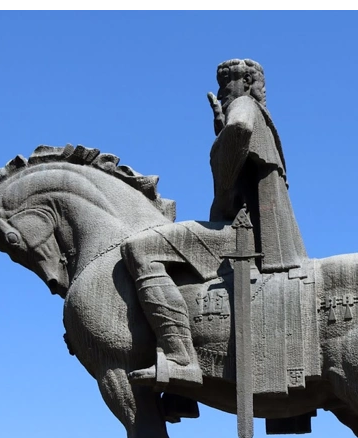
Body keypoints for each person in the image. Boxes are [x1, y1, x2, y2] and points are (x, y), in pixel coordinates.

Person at [121, 59, 307, 386]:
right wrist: (222, 133)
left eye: (227, 84)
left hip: (242, 233)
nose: (222, 93)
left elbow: (241, 130)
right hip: (248, 228)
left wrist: (225, 138)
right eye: (220, 86)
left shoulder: (245, 106)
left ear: (247, 84)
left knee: (140, 248)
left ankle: (181, 358)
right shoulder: (261, 118)